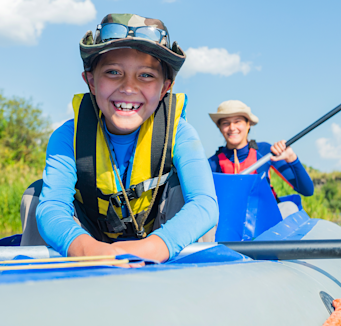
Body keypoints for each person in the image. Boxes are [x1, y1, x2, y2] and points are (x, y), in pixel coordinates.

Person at [20, 13, 218, 263]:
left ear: (165, 88)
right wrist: (89, 250)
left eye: (146, 75)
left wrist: (150, 249)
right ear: (91, 81)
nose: (128, 87)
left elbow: (204, 204)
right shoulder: (66, 137)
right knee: (36, 196)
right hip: (91, 243)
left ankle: (194, 287)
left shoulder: (181, 133)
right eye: (113, 72)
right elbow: (52, 208)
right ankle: (41, 288)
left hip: (157, 242)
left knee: (185, 194)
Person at [208, 100, 314, 217]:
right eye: (226, 123)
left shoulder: (265, 151)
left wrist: (292, 159)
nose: (232, 127)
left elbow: (307, 190)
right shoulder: (212, 164)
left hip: (267, 217)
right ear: (219, 127)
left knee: (289, 207)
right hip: (235, 220)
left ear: (248, 124)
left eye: (237, 121)